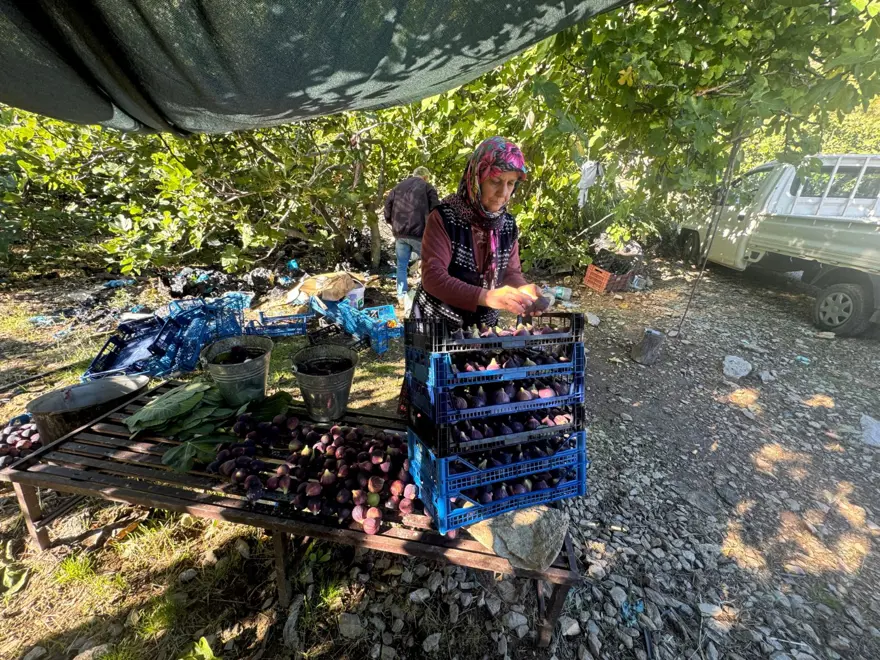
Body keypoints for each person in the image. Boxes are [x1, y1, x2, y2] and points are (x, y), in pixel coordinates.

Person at [413, 137, 540, 327]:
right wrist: (487, 296)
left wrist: (523, 290)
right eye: (495, 181)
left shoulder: (507, 225)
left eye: (511, 183)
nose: (503, 193)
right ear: (476, 179)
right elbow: (433, 277)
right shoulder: (444, 218)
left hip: (483, 328)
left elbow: (509, 273)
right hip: (438, 325)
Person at [384, 166, 440, 306]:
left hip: (400, 233)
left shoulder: (397, 188)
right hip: (420, 233)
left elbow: (387, 208)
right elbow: (436, 210)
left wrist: (393, 223)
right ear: (425, 177)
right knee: (427, 265)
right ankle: (426, 296)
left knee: (401, 266)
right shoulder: (427, 187)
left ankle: (401, 296)